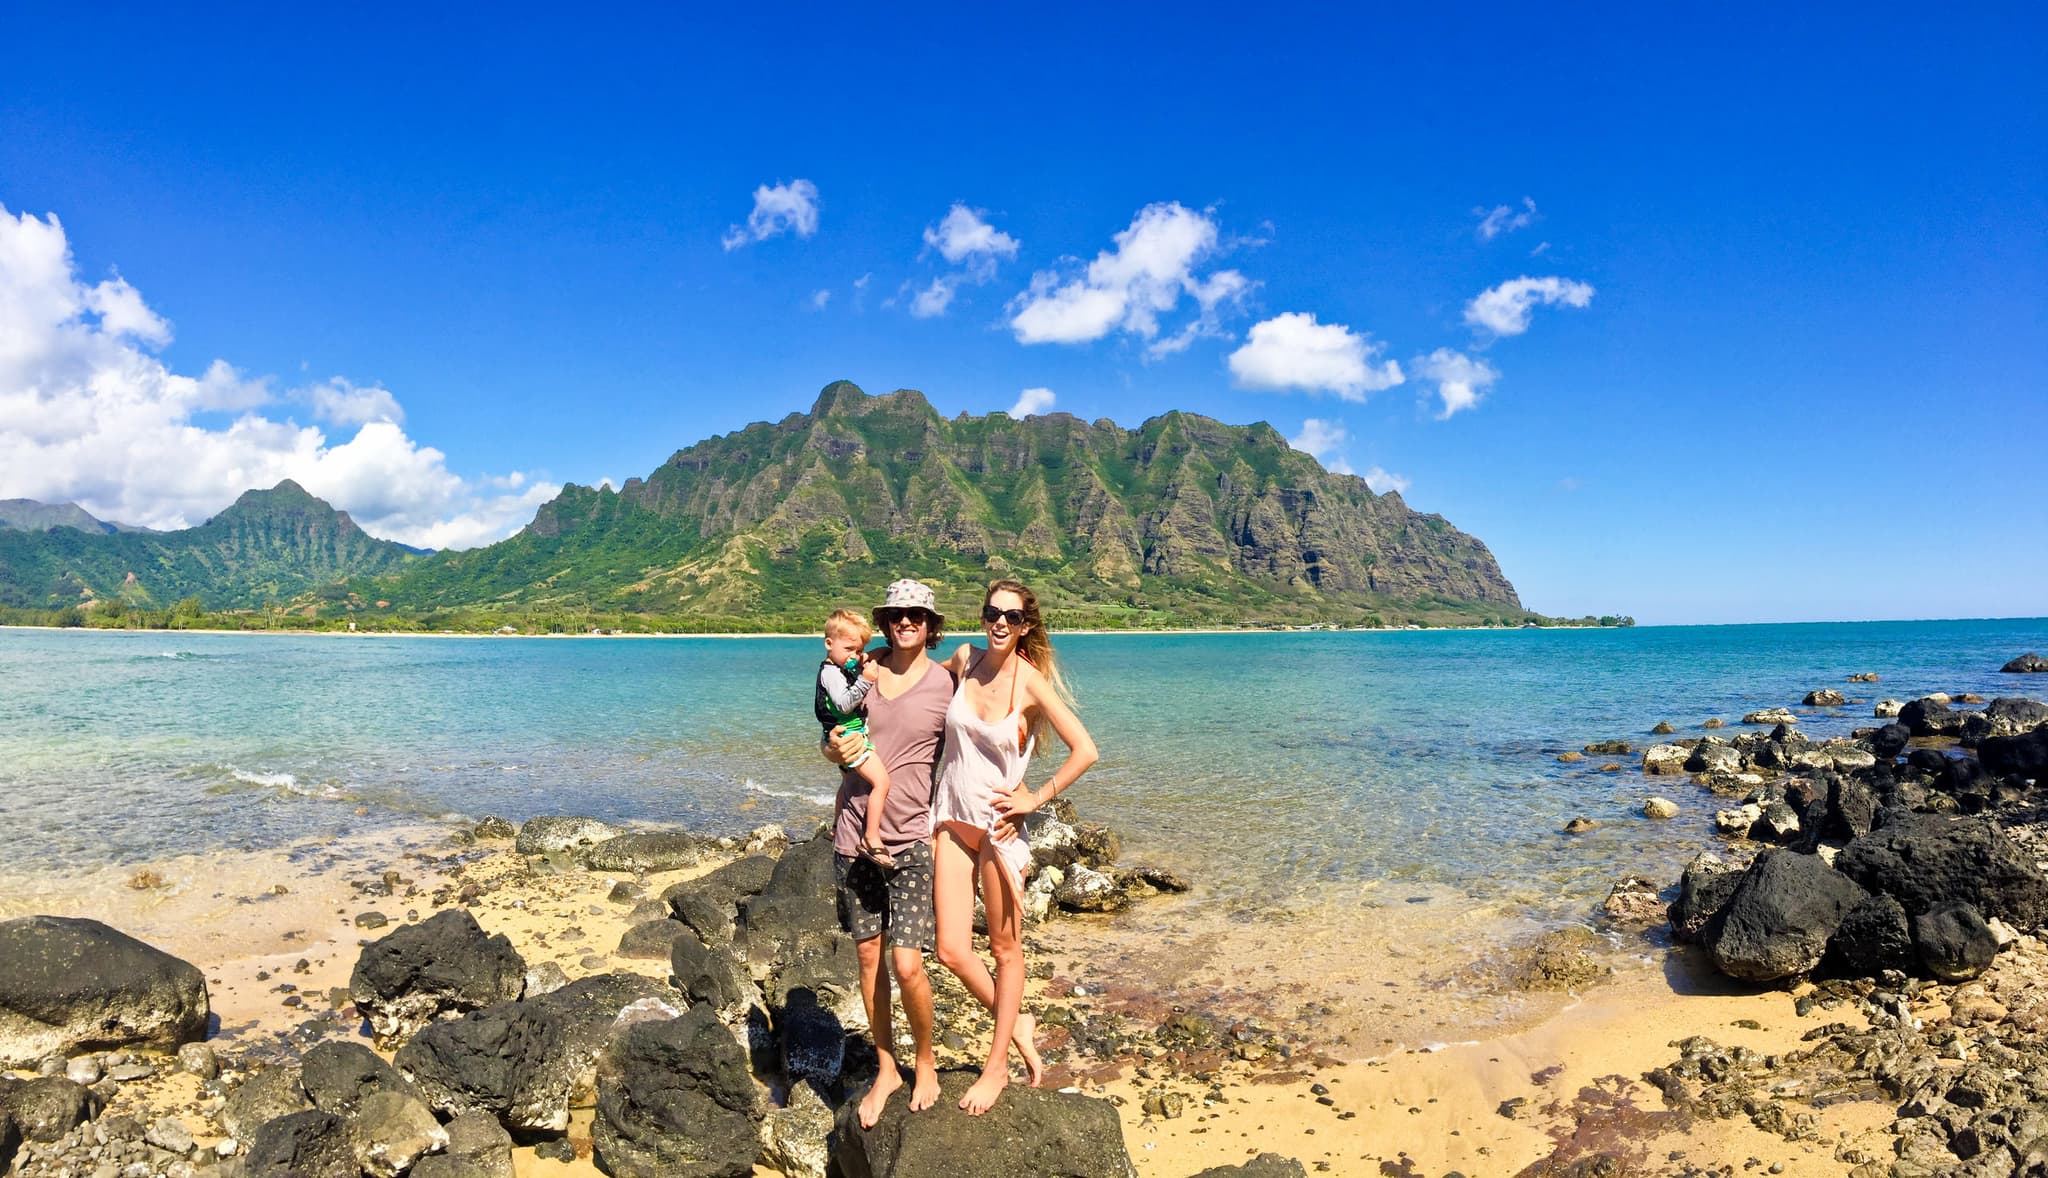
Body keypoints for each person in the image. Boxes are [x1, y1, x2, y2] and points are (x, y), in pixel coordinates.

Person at [932, 578, 1098, 1115]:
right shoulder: (963, 658)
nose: (999, 622)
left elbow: (1086, 750)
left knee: (1005, 950)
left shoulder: (1029, 683)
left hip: (999, 831)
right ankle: (1018, 1019)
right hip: (951, 818)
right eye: (991, 612)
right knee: (952, 950)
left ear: (1026, 626)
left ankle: (997, 1063)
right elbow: (914, 691)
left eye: (1012, 616)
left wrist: (1035, 798)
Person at [822, 579, 950, 1128]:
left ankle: (926, 1061)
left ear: (930, 625)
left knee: (908, 963)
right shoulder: (864, 671)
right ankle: (886, 1066)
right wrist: (829, 749)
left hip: (913, 839)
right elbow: (833, 730)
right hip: (854, 833)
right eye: (896, 614)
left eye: (916, 615)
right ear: (886, 620)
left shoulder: (949, 682)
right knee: (869, 959)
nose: (905, 622)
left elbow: (992, 718)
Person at [814, 607, 893, 866]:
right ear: (828, 643)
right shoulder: (830, 673)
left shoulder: (838, 667)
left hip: (846, 733)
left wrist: (860, 662)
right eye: (849, 649)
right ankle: (871, 837)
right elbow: (844, 703)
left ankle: (837, 826)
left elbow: (860, 661)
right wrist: (866, 680)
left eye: (857, 651)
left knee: (846, 783)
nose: (854, 656)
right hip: (850, 736)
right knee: (881, 783)